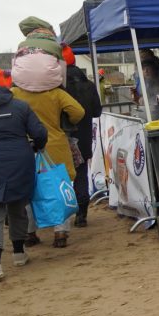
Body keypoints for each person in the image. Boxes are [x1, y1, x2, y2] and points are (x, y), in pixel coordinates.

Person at [10, 19, 84, 249]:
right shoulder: (56, 93)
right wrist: (66, 123)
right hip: (55, 145)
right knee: (59, 187)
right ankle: (61, 233)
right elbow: (78, 112)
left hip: (25, 148)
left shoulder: (15, 94)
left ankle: (30, 233)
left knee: (29, 191)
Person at [0, 65, 47, 280]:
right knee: (18, 207)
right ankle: (19, 253)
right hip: (19, 162)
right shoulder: (20, 106)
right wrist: (36, 147)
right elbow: (39, 133)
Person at [61, 44, 102, 227]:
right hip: (84, 136)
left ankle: (63, 220)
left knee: (60, 177)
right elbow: (97, 111)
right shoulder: (89, 85)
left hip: (63, 137)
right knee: (81, 173)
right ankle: (82, 214)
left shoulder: (57, 88)